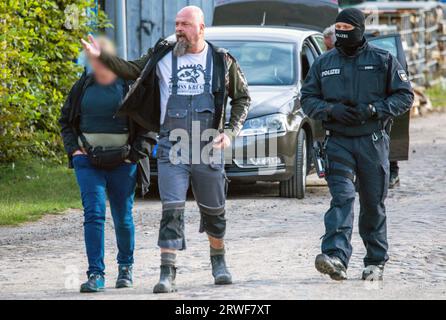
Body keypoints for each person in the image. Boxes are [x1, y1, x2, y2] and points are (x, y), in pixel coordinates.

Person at [81, 6, 251, 293]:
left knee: (214, 210)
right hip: (172, 144)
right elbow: (132, 69)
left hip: (207, 143)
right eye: (176, 24)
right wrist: (102, 57)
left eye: (185, 24)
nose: (179, 29)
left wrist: (230, 132)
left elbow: (243, 98)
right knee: (171, 208)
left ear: (201, 28)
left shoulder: (222, 60)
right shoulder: (161, 55)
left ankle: (219, 262)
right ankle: (167, 272)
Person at [301, 8, 414, 281]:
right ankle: (336, 257)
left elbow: (405, 95)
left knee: (373, 203)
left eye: (346, 26)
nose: (341, 31)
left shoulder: (383, 60)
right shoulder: (324, 63)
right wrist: (330, 111)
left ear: (359, 29)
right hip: (338, 142)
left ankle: (375, 260)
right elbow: (307, 99)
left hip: (372, 142)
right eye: (337, 25)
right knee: (342, 198)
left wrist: (375, 110)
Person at [60, 37, 154, 293]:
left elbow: (148, 125)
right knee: (93, 214)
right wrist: (75, 151)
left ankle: (125, 268)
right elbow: (65, 121)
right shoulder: (83, 86)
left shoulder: (130, 86)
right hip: (88, 163)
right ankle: (95, 274)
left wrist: (133, 155)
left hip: (123, 164)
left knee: (122, 217)